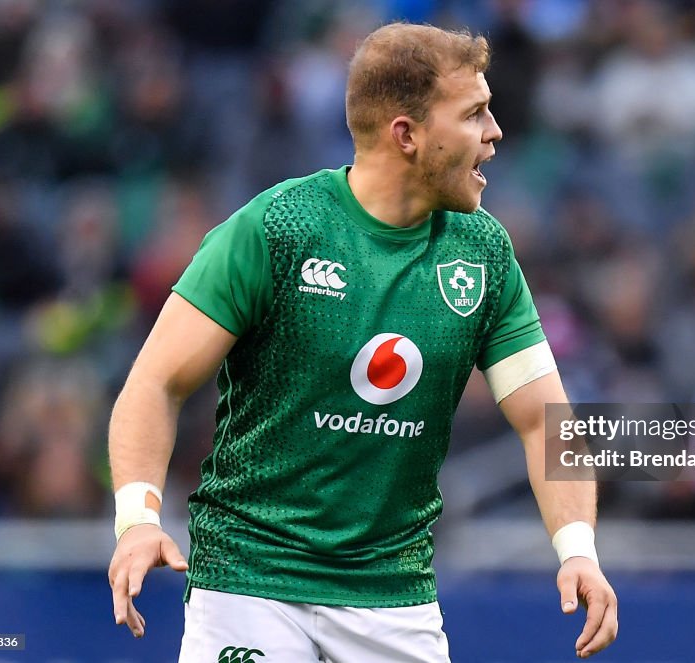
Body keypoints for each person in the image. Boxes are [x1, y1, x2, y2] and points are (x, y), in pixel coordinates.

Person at [107, 22, 617, 661]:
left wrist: (578, 551)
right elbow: (155, 382)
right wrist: (137, 521)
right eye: (475, 114)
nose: (495, 134)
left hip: (394, 595)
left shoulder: (483, 254)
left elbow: (546, 420)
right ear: (407, 135)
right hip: (250, 582)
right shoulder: (277, 230)